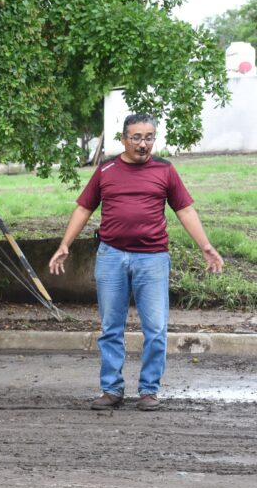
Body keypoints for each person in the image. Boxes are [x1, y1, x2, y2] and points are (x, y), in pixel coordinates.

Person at [48, 113, 224, 412]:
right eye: (137, 138)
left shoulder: (165, 171)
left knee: (155, 329)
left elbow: (185, 211)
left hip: (153, 259)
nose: (144, 144)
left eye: (149, 137)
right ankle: (112, 389)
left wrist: (205, 246)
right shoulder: (106, 170)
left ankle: (149, 390)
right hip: (111, 256)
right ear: (124, 139)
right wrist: (65, 244)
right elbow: (83, 209)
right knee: (111, 328)